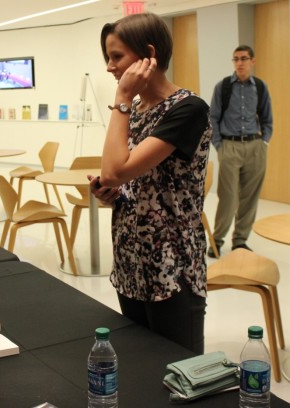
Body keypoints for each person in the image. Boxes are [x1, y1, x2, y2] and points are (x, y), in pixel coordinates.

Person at [90, 12, 211, 354]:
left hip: (171, 264)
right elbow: (121, 176)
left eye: (116, 56)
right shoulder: (138, 110)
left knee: (177, 365)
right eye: (108, 57)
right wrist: (111, 194)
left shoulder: (188, 109)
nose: (110, 67)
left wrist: (122, 99)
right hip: (131, 257)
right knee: (140, 363)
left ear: (148, 54)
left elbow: (115, 169)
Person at [207, 45, 273, 258]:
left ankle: (240, 241)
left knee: (250, 197)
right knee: (228, 197)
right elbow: (213, 118)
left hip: (255, 147)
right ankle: (216, 240)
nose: (239, 63)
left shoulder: (260, 87)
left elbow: (267, 118)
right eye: (236, 59)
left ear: (252, 61)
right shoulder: (223, 87)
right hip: (230, 147)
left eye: (244, 58)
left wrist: (264, 142)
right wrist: (219, 145)